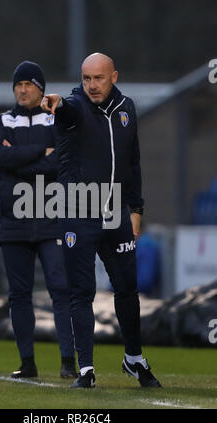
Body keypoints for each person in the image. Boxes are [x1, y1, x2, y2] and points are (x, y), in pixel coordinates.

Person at [41, 53, 161, 388]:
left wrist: (136, 208)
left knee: (127, 288)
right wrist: (56, 103)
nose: (92, 85)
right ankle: (86, 370)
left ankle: (134, 359)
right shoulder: (75, 107)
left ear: (114, 76)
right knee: (82, 291)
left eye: (99, 78)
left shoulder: (126, 108)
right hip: (78, 212)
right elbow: (66, 109)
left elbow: (133, 162)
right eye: (86, 78)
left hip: (115, 213)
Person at [0, 61, 76, 379]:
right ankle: (28, 364)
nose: (22, 90)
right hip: (14, 222)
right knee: (19, 296)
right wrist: (40, 151)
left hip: (51, 218)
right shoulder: (3, 120)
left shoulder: (55, 118)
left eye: (28, 84)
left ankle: (69, 362)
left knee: (61, 290)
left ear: (40, 88)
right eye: (18, 84)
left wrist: (19, 164)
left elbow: (60, 161)